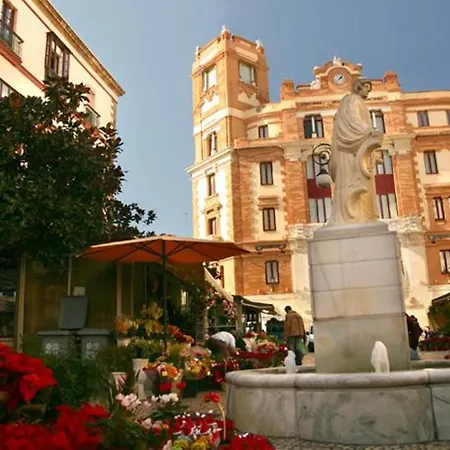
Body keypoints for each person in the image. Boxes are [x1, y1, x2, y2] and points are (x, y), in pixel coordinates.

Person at [328, 78, 383, 227]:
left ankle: (364, 216)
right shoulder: (352, 100)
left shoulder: (357, 102)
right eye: (366, 88)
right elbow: (353, 119)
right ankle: (353, 217)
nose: (368, 91)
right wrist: (367, 131)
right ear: (358, 87)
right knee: (353, 182)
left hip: (356, 149)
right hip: (350, 151)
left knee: (363, 186)